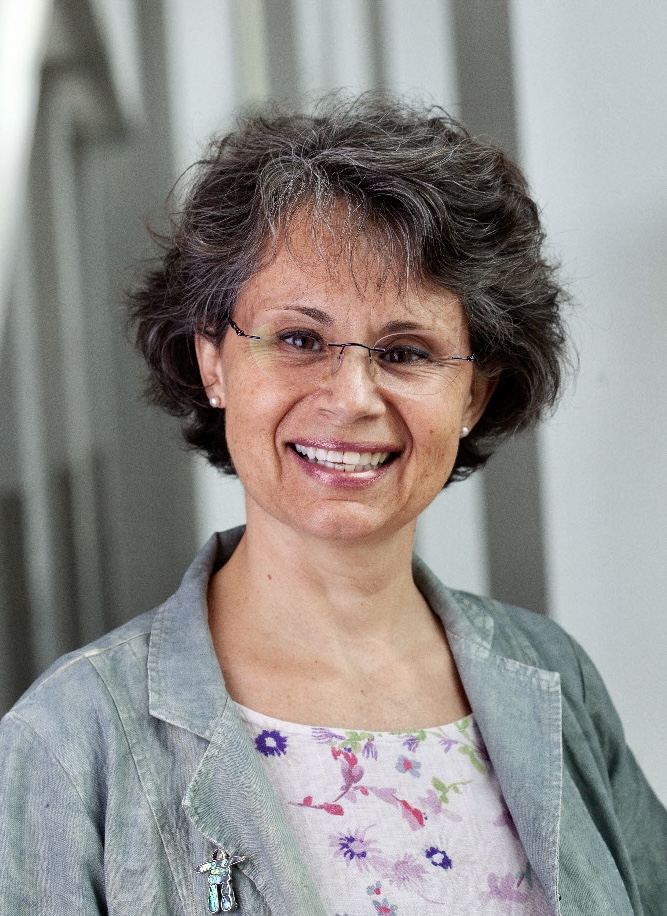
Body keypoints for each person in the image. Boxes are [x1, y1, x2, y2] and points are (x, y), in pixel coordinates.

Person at [0, 95, 665, 916]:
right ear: (213, 361)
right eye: (299, 339)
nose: (351, 397)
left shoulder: (555, 679)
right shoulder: (69, 740)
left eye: (405, 351)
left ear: (473, 394)